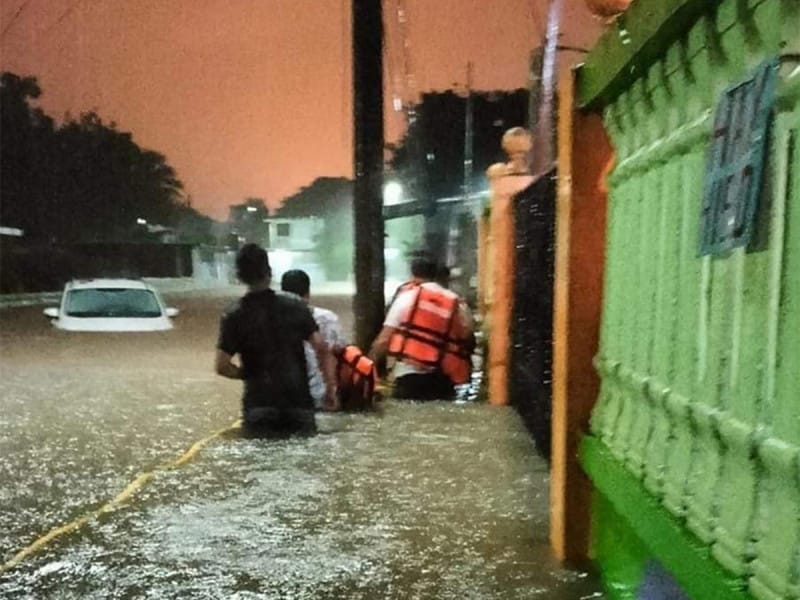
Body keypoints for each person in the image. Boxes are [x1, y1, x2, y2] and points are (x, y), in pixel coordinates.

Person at [215, 244, 336, 436]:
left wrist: (248, 374)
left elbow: (222, 366)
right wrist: (330, 387)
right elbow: (321, 348)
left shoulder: (234, 315)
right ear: (269, 272)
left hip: (258, 406)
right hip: (298, 404)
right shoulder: (296, 306)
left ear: (239, 277)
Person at [369, 253, 474, 400]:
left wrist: (369, 366)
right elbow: (468, 338)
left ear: (412, 275)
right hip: (444, 380)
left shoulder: (407, 297)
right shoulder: (455, 302)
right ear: (436, 275)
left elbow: (383, 340)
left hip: (409, 377)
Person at [280, 269, 345, 411]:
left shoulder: (271, 320)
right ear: (308, 292)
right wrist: (331, 387)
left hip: (283, 396)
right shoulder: (328, 318)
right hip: (319, 392)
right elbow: (338, 350)